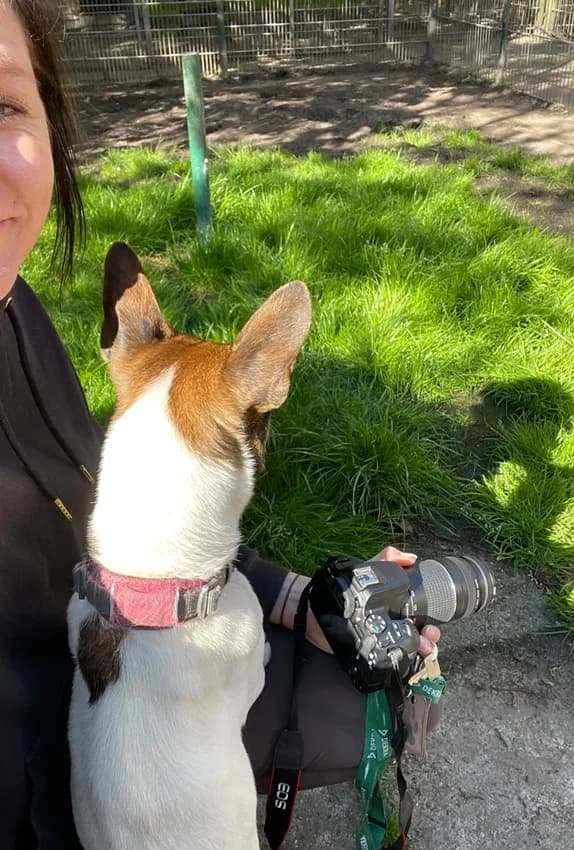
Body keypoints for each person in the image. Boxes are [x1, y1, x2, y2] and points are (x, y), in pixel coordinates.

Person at [0, 2, 440, 847]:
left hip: (112, 687)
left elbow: (138, 550)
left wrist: (304, 599)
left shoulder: (14, 313)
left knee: (365, 652)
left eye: (1, 103)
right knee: (365, 703)